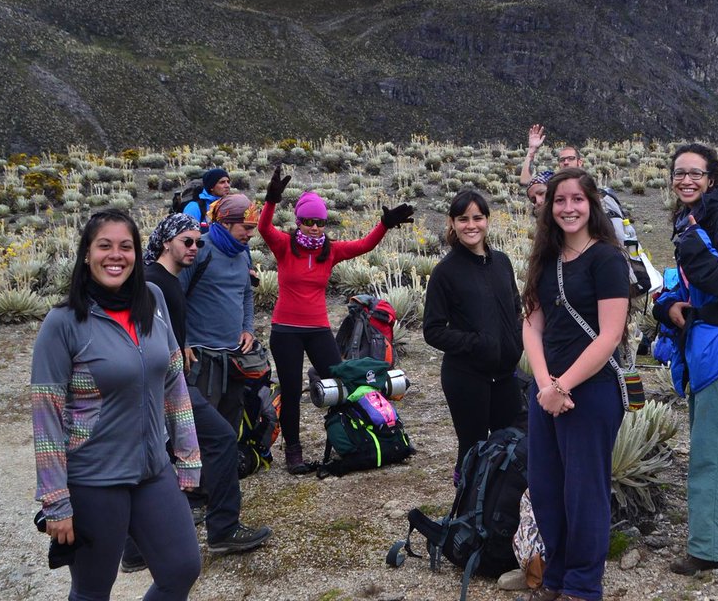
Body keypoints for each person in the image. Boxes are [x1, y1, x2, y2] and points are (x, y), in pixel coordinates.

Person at [30, 209, 201, 600]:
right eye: (104, 246)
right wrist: (56, 501)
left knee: (181, 568)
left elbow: (174, 380)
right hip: (94, 479)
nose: (115, 255)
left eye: (125, 246)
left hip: (153, 470)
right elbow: (46, 417)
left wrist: (188, 455)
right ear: (86, 255)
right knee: (92, 591)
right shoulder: (63, 322)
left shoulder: (152, 299)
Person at [123, 214, 271, 564]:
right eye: (186, 242)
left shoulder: (167, 282)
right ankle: (222, 529)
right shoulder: (152, 283)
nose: (194, 248)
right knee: (215, 439)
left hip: (167, 383)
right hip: (158, 387)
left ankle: (135, 549)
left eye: (198, 243)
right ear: (166, 243)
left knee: (161, 456)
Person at [258, 166, 415, 473]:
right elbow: (264, 228)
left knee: (344, 381)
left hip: (317, 329)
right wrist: (271, 199)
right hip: (286, 330)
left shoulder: (330, 251)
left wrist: (384, 224)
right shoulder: (284, 246)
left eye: (320, 222)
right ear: (299, 222)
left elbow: (364, 245)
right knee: (290, 392)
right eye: (309, 222)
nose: (316, 227)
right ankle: (294, 453)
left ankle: (351, 437)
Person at [518, 168, 629, 601]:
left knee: (585, 491)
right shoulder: (544, 259)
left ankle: (583, 585)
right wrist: (545, 385)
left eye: (577, 200)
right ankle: (558, 575)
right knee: (547, 488)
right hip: (547, 391)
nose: (568, 208)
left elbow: (610, 334)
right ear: (549, 207)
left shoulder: (607, 259)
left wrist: (561, 386)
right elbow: (532, 325)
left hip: (592, 390)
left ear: (592, 205)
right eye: (559, 200)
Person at [653, 144, 718, 575]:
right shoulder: (697, 219)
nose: (686, 180)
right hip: (708, 345)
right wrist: (667, 307)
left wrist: (693, 243)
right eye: (680, 173)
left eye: (696, 173)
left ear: (712, 179)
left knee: (712, 448)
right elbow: (693, 286)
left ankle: (711, 550)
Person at [424, 189, 523, 482]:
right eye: (463, 219)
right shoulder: (446, 272)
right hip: (467, 376)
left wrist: (515, 340)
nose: (471, 225)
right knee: (473, 448)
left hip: (505, 375)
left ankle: (496, 510)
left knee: (509, 444)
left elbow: (515, 308)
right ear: (452, 223)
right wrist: (477, 343)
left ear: (487, 221)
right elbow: (432, 330)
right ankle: (464, 510)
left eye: (477, 218)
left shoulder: (502, 262)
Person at [181, 193, 260, 430]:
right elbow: (175, 297)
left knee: (230, 423)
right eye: (246, 228)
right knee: (203, 428)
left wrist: (248, 328)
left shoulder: (241, 254)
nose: (250, 235)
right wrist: (181, 341)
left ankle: (228, 467)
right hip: (200, 358)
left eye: (253, 229)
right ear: (226, 223)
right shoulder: (199, 250)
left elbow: (245, 294)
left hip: (235, 358)